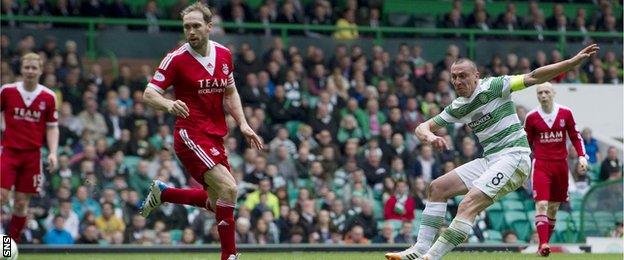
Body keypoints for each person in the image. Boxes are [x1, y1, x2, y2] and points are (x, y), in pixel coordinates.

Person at [385, 44, 599, 260]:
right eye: (454, 77)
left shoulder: (496, 86)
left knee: (468, 204)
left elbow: (534, 76)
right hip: (491, 159)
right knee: (437, 188)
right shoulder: (458, 106)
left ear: (476, 76)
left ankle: (431, 257)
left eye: (463, 76)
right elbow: (422, 128)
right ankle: (419, 249)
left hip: (515, 157)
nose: (458, 81)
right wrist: (431, 137)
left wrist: (571, 63)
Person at [139, 3, 263, 260]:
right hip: (189, 134)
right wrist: (169, 104)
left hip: (215, 134)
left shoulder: (224, 54)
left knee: (217, 202)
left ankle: (165, 193)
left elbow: (230, 92)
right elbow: (149, 93)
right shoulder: (176, 59)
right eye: (187, 27)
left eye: (196, 26)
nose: (191, 31)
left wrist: (243, 123)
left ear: (209, 26)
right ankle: (230, 256)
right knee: (230, 189)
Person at [524, 82, 588, 256]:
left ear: (553, 93)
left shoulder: (566, 113)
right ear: (537, 96)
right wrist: (522, 168)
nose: (543, 95)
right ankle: (544, 243)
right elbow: (526, 145)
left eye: (546, 92)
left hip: (561, 166)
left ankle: (542, 246)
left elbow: (575, 136)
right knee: (542, 204)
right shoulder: (531, 117)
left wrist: (582, 156)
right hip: (541, 165)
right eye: (540, 92)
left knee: (553, 208)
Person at [1, 53, 59, 243]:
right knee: (1, 196)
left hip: (32, 156)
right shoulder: (7, 91)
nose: (30, 71)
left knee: (20, 203)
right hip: (8, 151)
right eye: (27, 67)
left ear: (41, 70)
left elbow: (52, 127)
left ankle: (9, 246)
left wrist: (52, 152)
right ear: (21, 69)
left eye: (34, 68)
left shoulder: (48, 97)